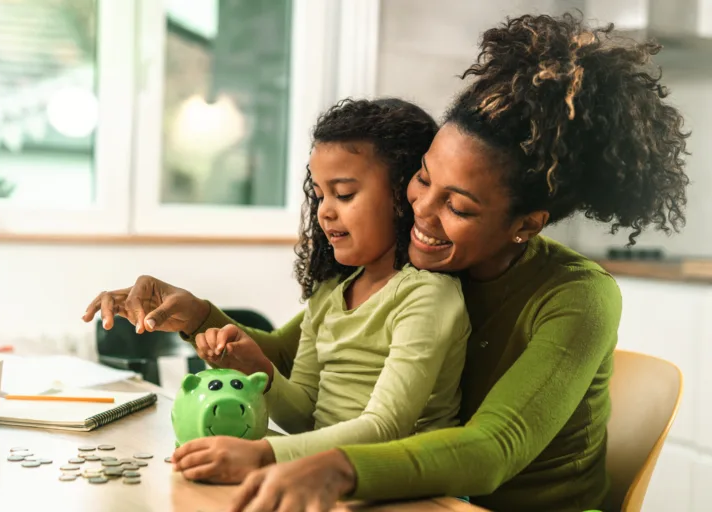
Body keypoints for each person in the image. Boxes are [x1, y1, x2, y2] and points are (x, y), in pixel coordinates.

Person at [83, 12, 690, 512]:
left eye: (459, 205)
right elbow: (296, 356)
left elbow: (493, 446)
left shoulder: (577, 296)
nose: (422, 211)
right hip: (422, 497)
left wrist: (331, 467)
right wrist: (192, 314)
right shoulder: (427, 267)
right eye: (423, 179)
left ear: (524, 227)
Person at [169, 98, 471, 480]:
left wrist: (261, 454)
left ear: (403, 195)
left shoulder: (426, 295)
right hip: (330, 477)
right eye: (320, 195)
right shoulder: (330, 293)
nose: (324, 211)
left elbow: (385, 428)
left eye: (343, 194)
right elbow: (308, 418)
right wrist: (259, 371)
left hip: (410, 488)